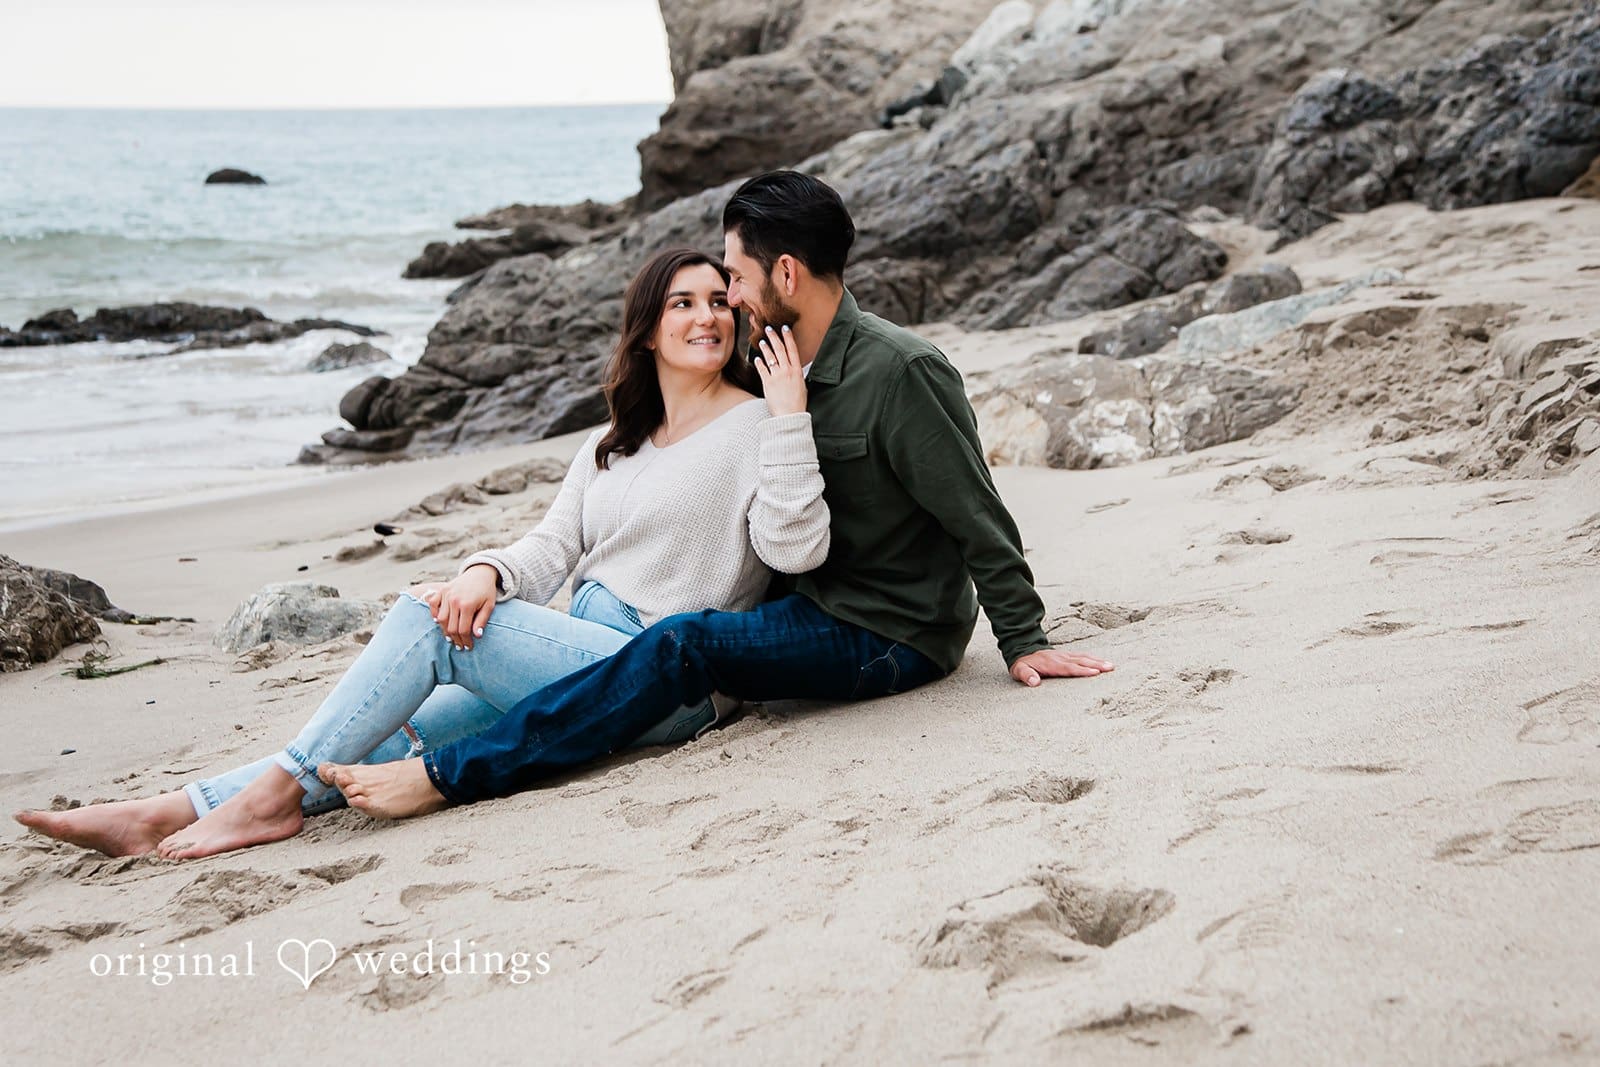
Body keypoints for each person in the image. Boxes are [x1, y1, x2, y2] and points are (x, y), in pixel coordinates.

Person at [316, 170, 1115, 820]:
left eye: (734, 276)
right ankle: (280, 785)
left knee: (683, 643)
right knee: (464, 694)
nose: (728, 296)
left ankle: (449, 778)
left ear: (786, 273)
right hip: (802, 609)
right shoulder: (767, 364)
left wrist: (1023, 637)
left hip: (886, 630)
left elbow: (976, 513)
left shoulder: (900, 371)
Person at [13, 247, 830, 859]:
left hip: (663, 679)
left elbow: (795, 548)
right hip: (582, 648)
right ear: (648, 328)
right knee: (394, 731)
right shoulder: (612, 442)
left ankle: (262, 800)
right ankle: (171, 809)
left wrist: (790, 416)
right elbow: (551, 547)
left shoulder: (758, 424)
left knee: (429, 620)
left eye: (718, 302)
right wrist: (485, 570)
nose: (707, 317)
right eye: (682, 303)